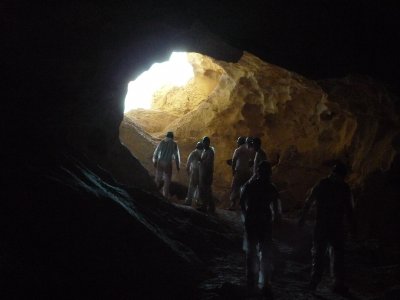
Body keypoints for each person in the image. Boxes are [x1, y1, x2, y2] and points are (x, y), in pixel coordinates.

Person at [298, 162, 355, 293]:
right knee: (321, 254)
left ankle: (334, 283)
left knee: (335, 255)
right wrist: (302, 217)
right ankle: (316, 281)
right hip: (326, 225)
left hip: (332, 225)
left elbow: (349, 210)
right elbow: (310, 200)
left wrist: (352, 226)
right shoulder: (334, 186)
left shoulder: (331, 185)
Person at [240, 160, 282, 297]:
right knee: (265, 253)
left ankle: (252, 280)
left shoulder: (250, 185)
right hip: (264, 223)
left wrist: (246, 216)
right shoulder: (271, 187)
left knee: (252, 252)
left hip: (252, 221)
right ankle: (264, 283)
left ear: (258, 172)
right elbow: (276, 209)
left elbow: (242, 202)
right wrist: (276, 220)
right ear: (269, 173)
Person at [152, 131, 180, 199]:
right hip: (168, 163)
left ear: (166, 136)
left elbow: (157, 151)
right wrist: (178, 165)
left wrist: (154, 161)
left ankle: (154, 193)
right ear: (172, 137)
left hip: (160, 161)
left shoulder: (162, 142)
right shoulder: (174, 144)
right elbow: (177, 156)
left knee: (158, 178)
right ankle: (165, 196)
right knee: (167, 180)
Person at [229, 136, 253, 210]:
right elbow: (252, 161)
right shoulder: (250, 150)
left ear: (240, 142)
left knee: (234, 188)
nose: (237, 142)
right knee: (245, 188)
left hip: (239, 171)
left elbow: (234, 161)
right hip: (247, 172)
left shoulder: (238, 150)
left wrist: (233, 170)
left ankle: (233, 205)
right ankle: (245, 206)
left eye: (238, 141)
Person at [197, 136, 215, 213]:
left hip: (207, 173)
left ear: (208, 143)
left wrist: (200, 161)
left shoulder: (210, 152)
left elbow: (208, 163)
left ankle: (206, 207)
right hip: (203, 173)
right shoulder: (205, 151)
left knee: (206, 191)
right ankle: (209, 207)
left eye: (206, 142)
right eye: (204, 142)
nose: (204, 143)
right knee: (205, 190)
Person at [184, 141, 204, 206]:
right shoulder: (204, 153)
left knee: (192, 186)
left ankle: (189, 201)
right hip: (202, 172)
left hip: (195, 171)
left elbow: (188, 162)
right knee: (199, 188)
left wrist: (187, 170)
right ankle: (197, 202)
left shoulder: (194, 153)